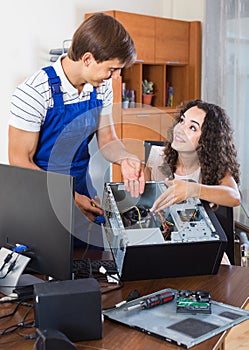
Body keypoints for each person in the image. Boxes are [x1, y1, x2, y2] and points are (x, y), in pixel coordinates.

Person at [8, 13, 145, 246]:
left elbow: (108, 139)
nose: (114, 77)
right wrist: (68, 198)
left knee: (92, 267)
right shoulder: (33, 93)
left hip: (82, 188)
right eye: (111, 69)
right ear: (88, 58)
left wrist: (126, 158)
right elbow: (20, 161)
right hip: (40, 196)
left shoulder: (101, 88)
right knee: (47, 270)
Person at [148, 99, 241, 264]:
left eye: (192, 127)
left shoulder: (216, 168)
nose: (180, 130)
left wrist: (192, 189)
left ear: (206, 141)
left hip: (203, 251)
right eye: (182, 121)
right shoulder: (156, 158)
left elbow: (234, 197)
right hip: (163, 247)